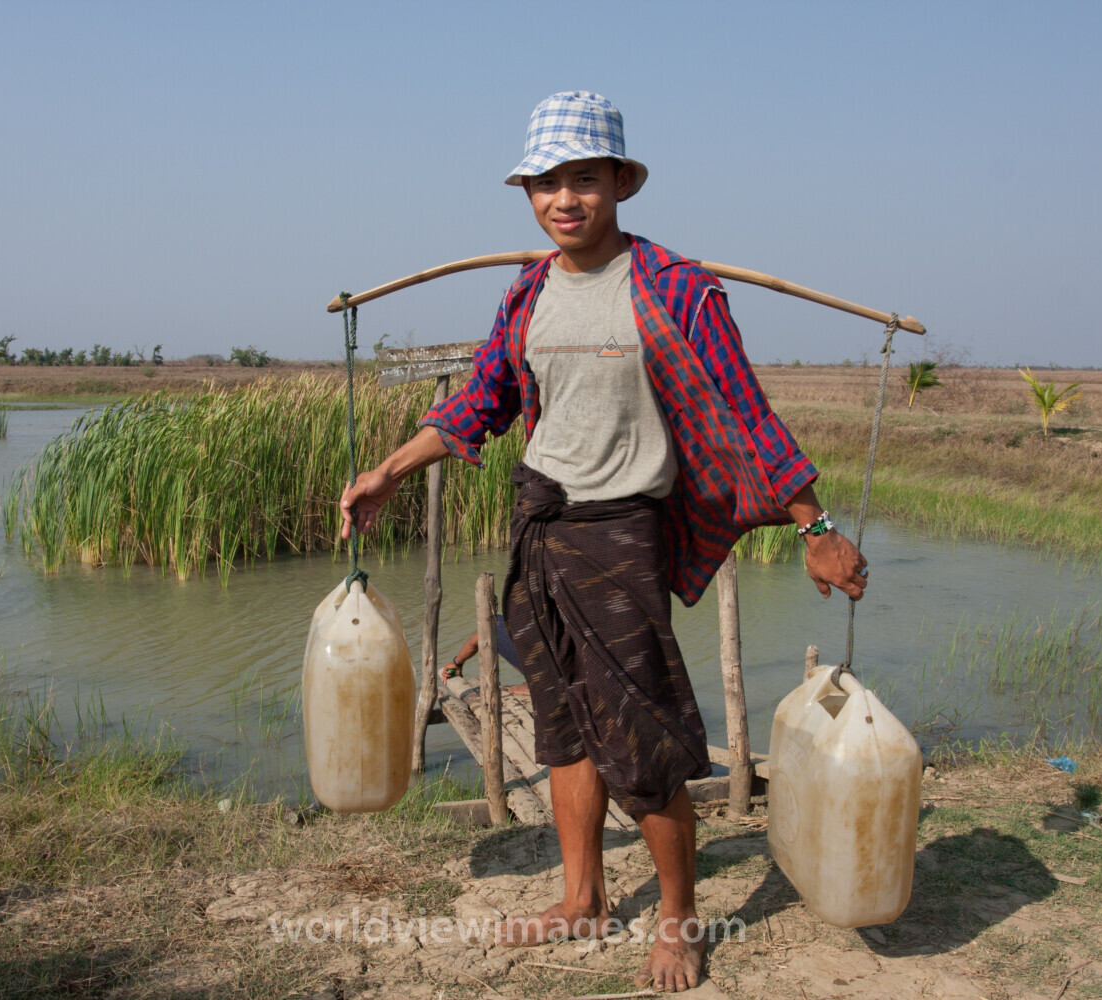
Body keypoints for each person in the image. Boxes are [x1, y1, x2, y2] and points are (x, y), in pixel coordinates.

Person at [341, 91, 867, 993]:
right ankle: (580, 896)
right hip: (540, 528)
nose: (563, 199)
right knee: (562, 728)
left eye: (583, 178)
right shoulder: (527, 292)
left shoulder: (675, 287)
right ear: (529, 195)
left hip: (623, 536)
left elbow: (744, 416)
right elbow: (481, 403)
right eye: (545, 182)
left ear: (621, 182)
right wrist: (392, 468)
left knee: (646, 736)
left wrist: (814, 526)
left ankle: (678, 917)